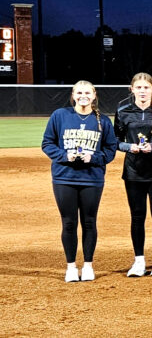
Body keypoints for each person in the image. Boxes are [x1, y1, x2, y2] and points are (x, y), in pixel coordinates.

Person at [42, 81, 118, 282]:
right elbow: (47, 143)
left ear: (94, 96)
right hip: (64, 177)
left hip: (92, 178)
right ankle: (70, 267)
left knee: (89, 222)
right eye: (79, 92)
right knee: (68, 223)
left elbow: (110, 150)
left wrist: (92, 158)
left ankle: (88, 265)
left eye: (87, 92)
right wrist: (64, 155)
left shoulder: (103, 120)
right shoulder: (60, 115)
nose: (83, 95)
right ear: (73, 95)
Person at [114, 73, 152, 277]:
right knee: (137, 216)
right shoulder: (123, 112)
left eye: (146, 87)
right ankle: (139, 261)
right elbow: (116, 141)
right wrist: (131, 147)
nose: (142, 91)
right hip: (133, 172)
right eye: (138, 88)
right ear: (132, 90)